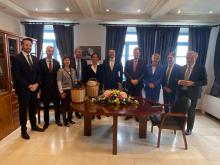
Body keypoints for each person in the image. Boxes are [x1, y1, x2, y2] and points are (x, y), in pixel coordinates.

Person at [12, 38, 44, 140]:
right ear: (22, 45)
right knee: (23, 111)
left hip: (34, 89)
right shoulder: (17, 58)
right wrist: (28, 85)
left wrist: (37, 84)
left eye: (30, 45)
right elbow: (16, 75)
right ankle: (23, 130)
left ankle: (34, 126)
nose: (28, 47)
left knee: (33, 109)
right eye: (26, 45)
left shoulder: (35, 59)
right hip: (23, 90)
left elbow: (39, 73)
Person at [177, 51, 207, 135]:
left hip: (193, 93)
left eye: (191, 58)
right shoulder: (182, 67)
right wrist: (179, 81)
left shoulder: (201, 68)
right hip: (181, 92)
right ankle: (179, 125)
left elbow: (205, 82)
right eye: (187, 58)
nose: (189, 59)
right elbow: (176, 78)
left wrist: (193, 83)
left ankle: (189, 129)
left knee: (191, 111)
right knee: (180, 110)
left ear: (196, 58)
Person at [39, 46, 62, 130]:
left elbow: (59, 76)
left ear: (53, 52)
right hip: (45, 89)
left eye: (52, 51)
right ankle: (46, 122)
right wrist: (39, 89)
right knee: (46, 107)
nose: (50, 53)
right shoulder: (41, 62)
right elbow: (39, 76)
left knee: (57, 106)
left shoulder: (57, 62)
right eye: (49, 51)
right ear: (46, 51)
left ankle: (58, 120)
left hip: (55, 89)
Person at [57, 56, 77, 127]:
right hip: (65, 90)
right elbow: (59, 82)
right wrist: (61, 92)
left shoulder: (73, 70)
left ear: (70, 61)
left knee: (71, 106)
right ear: (63, 61)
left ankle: (69, 119)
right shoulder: (60, 70)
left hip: (72, 90)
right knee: (64, 106)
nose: (67, 61)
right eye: (65, 60)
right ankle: (65, 121)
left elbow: (75, 80)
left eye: (68, 60)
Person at [86, 52, 103, 120]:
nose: (95, 58)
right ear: (91, 58)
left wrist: (100, 82)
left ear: (98, 58)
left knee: (99, 100)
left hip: (99, 86)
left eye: (96, 57)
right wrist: (87, 82)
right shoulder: (88, 67)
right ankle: (92, 113)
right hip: (91, 87)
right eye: (93, 57)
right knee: (91, 101)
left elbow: (103, 76)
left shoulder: (101, 66)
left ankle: (98, 113)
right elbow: (85, 77)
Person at [71, 47, 87, 119]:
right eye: (78, 52)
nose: (79, 53)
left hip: (82, 82)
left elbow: (85, 73)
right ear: (75, 53)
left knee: (81, 98)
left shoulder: (84, 62)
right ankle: (75, 112)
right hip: (73, 83)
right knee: (74, 99)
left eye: (80, 52)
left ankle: (81, 111)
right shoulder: (71, 61)